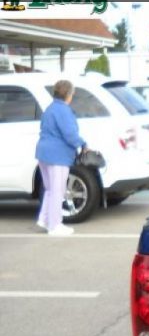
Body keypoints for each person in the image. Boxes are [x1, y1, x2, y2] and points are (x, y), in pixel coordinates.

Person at [35, 79, 87, 236]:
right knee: (58, 190)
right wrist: (83, 144)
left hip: (43, 153)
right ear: (68, 94)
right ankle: (55, 225)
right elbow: (70, 134)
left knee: (50, 189)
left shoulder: (50, 109)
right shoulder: (64, 111)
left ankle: (44, 219)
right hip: (57, 156)